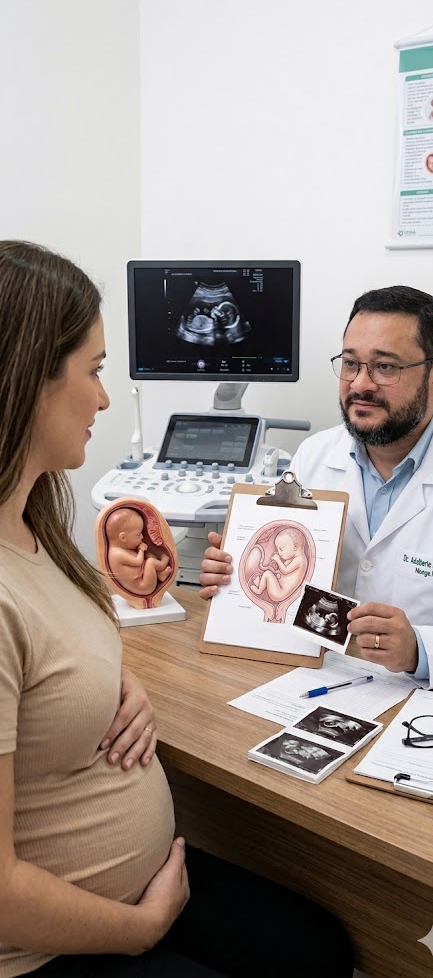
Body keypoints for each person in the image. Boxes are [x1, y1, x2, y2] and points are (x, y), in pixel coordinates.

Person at [0, 241, 353, 978]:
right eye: (94, 371)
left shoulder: (36, 526)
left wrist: (112, 685)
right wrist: (139, 929)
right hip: (51, 946)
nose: (102, 397)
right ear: (26, 376)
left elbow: (50, 652)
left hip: (140, 877)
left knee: (319, 950)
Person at [200, 285, 433, 691]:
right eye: (350, 364)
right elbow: (284, 576)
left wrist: (422, 648)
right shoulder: (313, 455)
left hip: (428, 706)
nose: (360, 384)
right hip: (314, 682)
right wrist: (233, 575)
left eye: (385, 367)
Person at [105, 506, 172, 595]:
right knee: (151, 562)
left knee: (149, 556)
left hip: (144, 579)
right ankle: (163, 565)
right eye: (138, 535)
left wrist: (143, 552)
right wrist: (141, 550)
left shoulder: (122, 548)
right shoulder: (117, 553)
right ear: (123, 537)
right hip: (143, 587)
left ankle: (159, 574)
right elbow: (138, 562)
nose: (142, 537)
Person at [250, 527, 307, 600]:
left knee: (268, 573)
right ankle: (261, 584)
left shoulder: (300, 559)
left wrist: (278, 560)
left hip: (280, 593)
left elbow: (285, 570)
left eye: (281, 549)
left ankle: (259, 590)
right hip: (279, 589)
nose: (280, 553)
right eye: (278, 550)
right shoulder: (294, 558)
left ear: (295, 547)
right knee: (269, 573)